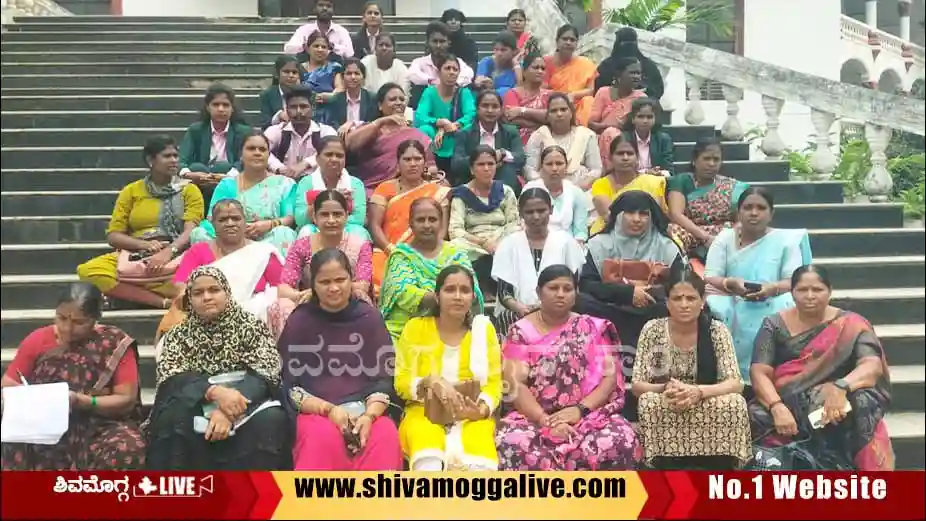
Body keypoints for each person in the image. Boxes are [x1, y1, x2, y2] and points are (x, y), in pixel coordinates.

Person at [749, 265, 894, 471]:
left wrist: (841, 387)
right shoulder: (773, 325)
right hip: (788, 399)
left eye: (817, 290)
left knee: (859, 403)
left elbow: (871, 365)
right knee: (756, 416)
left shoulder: (851, 324)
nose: (810, 296)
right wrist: (776, 407)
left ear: (829, 291)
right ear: (792, 292)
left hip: (837, 400)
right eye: (802, 290)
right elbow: (759, 372)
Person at [145, 267, 289, 470]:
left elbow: (266, 372)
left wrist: (228, 410)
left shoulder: (250, 326)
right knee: (171, 419)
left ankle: (259, 495)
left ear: (227, 293)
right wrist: (214, 392)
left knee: (271, 419)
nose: (207, 297)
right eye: (198, 293)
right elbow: (173, 378)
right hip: (197, 401)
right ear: (190, 299)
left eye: (214, 290)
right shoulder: (178, 335)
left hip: (246, 401)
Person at [496, 265, 639, 470]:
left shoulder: (590, 326)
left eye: (567, 288)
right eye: (553, 288)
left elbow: (609, 378)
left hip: (588, 414)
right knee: (512, 443)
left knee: (620, 440)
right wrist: (545, 420)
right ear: (539, 292)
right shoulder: (521, 331)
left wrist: (580, 410)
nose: (561, 294)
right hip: (534, 417)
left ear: (575, 294)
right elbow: (515, 384)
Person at [279, 248, 402, 471]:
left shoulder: (368, 317)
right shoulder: (301, 321)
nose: (334, 288)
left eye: (340, 279)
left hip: (367, 409)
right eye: (325, 282)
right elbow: (290, 385)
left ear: (351, 279)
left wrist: (369, 416)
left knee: (385, 435)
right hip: (317, 413)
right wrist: (328, 410)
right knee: (319, 438)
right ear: (313, 285)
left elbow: (384, 377)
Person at [1, 283, 145, 470]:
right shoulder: (38, 339)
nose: (67, 328)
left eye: (79, 322)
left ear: (95, 319)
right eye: (61, 318)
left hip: (98, 423)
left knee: (129, 447)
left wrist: (83, 401)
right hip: (43, 421)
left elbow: (126, 399)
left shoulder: (114, 342)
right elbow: (9, 384)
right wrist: (33, 400)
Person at [632, 269, 751, 469]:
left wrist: (698, 392)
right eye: (677, 298)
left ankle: (721, 462)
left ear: (702, 301)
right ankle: (664, 463)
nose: (684, 304)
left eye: (691, 298)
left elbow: (735, 383)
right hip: (668, 397)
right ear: (668, 303)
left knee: (735, 403)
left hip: (706, 395)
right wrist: (668, 389)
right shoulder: (653, 330)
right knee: (648, 402)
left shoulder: (716, 330)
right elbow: (637, 385)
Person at [394, 265, 502, 471]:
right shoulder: (416, 327)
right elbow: (401, 381)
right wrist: (430, 381)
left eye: (465, 290)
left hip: (472, 417)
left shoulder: (483, 330)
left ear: (473, 297)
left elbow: (494, 384)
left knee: (478, 469)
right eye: (450, 290)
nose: (458, 296)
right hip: (423, 413)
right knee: (428, 460)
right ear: (437, 296)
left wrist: (481, 409)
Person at [77, 135, 204, 310]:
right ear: (151, 160)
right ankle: (162, 301)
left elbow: (192, 230)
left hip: (178, 254)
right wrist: (143, 245)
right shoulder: (132, 191)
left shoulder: (189, 190)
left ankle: (132, 290)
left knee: (196, 281)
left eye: (175, 156)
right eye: (167, 156)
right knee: (88, 271)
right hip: (137, 255)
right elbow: (114, 235)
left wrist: (168, 251)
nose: (174, 160)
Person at [705, 187, 813, 386]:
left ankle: (774, 377)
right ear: (739, 212)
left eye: (761, 208)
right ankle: (729, 377)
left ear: (771, 213)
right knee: (714, 305)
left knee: (788, 304)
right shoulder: (725, 238)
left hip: (773, 298)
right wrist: (730, 283)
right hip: (731, 297)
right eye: (748, 207)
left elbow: (795, 280)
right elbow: (711, 276)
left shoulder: (785, 241)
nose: (754, 213)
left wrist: (770, 289)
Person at [155, 199, 287, 344]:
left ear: (245, 222)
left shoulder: (263, 252)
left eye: (236, 218)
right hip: (206, 314)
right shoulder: (198, 251)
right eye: (223, 219)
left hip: (255, 316)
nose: (230, 223)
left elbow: (280, 288)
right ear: (213, 224)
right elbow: (181, 286)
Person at [577, 191, 682, 358]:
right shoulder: (598, 244)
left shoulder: (666, 246)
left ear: (651, 218)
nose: (637, 219)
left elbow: (680, 285)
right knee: (579, 302)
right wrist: (628, 293)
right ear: (618, 216)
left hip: (652, 311)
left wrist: (646, 293)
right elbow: (587, 285)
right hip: (611, 309)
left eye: (643, 214)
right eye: (630, 212)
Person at [379, 198, 483, 340]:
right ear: (411, 223)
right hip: (404, 329)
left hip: (453, 325)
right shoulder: (401, 255)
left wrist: (445, 298)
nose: (427, 225)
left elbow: (472, 289)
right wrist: (448, 298)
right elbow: (404, 293)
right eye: (420, 220)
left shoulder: (455, 253)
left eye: (432, 219)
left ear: (441, 222)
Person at [491, 189, 585, 338]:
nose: (536, 216)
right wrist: (521, 308)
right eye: (529, 212)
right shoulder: (509, 244)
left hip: (559, 311)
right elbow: (504, 292)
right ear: (520, 213)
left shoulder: (566, 242)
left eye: (541, 211)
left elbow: (574, 285)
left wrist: (551, 307)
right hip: (519, 312)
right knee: (507, 318)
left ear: (551, 210)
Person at [190, 133, 298, 255]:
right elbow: (212, 218)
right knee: (199, 233)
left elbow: (289, 218)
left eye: (262, 149)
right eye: (251, 148)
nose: (257, 153)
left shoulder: (284, 184)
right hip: (230, 239)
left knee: (284, 233)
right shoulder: (227, 184)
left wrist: (268, 224)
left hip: (267, 238)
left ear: (268, 155)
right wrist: (237, 230)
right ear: (241, 155)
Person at [369, 140, 451, 292]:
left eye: (417, 159)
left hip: (428, 253)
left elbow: (442, 229)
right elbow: (374, 226)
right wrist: (393, 251)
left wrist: (429, 254)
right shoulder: (385, 188)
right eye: (407, 159)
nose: (413, 164)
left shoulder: (438, 191)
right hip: (389, 252)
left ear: (425, 162)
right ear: (398, 163)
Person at [449, 146, 521, 296]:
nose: (486, 168)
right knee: (455, 246)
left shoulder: (506, 191)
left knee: (518, 239)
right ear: (471, 169)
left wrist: (498, 243)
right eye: (481, 165)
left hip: (501, 241)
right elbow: (455, 230)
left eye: (490, 164)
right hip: (474, 244)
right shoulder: (462, 194)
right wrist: (482, 242)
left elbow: (513, 223)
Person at [280, 190, 373, 305]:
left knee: (362, 299)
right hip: (310, 304)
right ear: (314, 217)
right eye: (324, 215)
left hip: (348, 302)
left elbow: (363, 286)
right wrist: (307, 295)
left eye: (337, 214)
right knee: (282, 305)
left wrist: (319, 292)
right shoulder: (302, 246)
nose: (331, 220)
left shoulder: (361, 245)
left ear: (346, 216)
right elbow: (283, 289)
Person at [667, 137, 749, 260]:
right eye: (706, 158)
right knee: (672, 231)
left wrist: (725, 238)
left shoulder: (732, 186)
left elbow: (740, 220)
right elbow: (675, 214)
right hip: (690, 231)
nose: (711, 164)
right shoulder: (682, 181)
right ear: (694, 160)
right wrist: (706, 237)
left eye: (716, 159)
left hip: (723, 233)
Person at [347, 83, 438, 193]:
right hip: (374, 189)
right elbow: (351, 145)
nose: (398, 103)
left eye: (401, 99)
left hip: (411, 188)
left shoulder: (416, 134)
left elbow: (432, 167)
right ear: (380, 105)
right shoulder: (371, 128)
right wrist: (382, 121)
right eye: (392, 99)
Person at [178, 84, 252, 204]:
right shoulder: (196, 130)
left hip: (230, 178)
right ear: (208, 107)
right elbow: (182, 159)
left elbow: (244, 160)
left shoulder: (243, 132)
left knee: (222, 167)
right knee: (197, 167)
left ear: (232, 108)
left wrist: (228, 176)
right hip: (200, 179)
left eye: (226, 105)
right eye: (216, 105)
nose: (221, 109)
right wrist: (189, 173)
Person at [293, 136, 369, 240]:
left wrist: (331, 222)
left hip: (346, 228)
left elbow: (358, 219)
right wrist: (333, 197)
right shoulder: (306, 183)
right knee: (306, 230)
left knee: (358, 232)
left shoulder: (355, 184)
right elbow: (300, 220)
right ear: (317, 159)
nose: (334, 159)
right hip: (315, 228)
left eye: (339, 156)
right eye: (329, 154)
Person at [590, 134, 667, 235]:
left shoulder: (652, 182)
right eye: (620, 154)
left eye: (630, 154)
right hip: (610, 234)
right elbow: (608, 216)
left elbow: (656, 216)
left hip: (647, 234)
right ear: (610, 158)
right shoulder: (601, 184)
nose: (625, 158)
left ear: (637, 158)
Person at [451, 90, 526, 193]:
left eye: (495, 107)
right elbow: (456, 165)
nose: (490, 110)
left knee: (507, 169)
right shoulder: (464, 134)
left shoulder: (510, 132)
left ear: (501, 110)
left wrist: (503, 153)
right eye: (485, 106)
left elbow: (521, 158)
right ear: (477, 109)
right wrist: (482, 160)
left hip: (503, 180)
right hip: (472, 182)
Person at [413, 53, 477, 174]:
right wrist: (440, 122)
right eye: (447, 68)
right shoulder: (430, 92)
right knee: (424, 129)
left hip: (456, 135)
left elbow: (471, 115)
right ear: (438, 72)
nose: (451, 72)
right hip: (435, 137)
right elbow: (420, 117)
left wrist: (453, 126)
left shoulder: (463, 92)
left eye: (455, 69)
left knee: (470, 128)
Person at [523, 93, 601, 190]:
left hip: (580, 189)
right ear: (547, 116)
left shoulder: (587, 135)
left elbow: (596, 169)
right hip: (545, 189)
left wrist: (579, 188)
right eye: (554, 111)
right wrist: (547, 186)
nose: (559, 114)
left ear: (571, 113)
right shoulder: (539, 135)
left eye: (563, 109)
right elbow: (529, 170)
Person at [264, 86, 338, 179]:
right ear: (286, 110)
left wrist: (306, 163)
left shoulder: (326, 131)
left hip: (317, 184)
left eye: (303, 107)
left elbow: (333, 151)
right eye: (293, 107)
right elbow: (261, 150)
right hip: (284, 182)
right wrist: (279, 168)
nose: (299, 111)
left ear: (313, 109)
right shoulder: (276, 131)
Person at [523, 145, 591, 242]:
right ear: (541, 167)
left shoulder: (576, 193)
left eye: (559, 163)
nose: (554, 168)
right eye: (549, 164)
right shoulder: (530, 189)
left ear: (566, 166)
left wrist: (575, 248)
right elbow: (524, 225)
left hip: (568, 246)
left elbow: (580, 232)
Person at [589, 57, 646, 169]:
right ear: (619, 75)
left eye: (638, 73)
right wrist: (611, 127)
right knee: (610, 133)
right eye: (632, 73)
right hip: (602, 139)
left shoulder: (641, 98)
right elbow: (591, 124)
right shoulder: (603, 92)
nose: (636, 77)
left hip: (628, 141)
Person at [407, 21, 474, 109]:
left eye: (442, 41)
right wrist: (434, 82)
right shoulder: (419, 62)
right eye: (435, 41)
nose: (438, 45)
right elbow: (412, 75)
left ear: (448, 43)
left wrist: (451, 83)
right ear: (427, 42)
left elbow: (469, 73)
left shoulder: (457, 62)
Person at [543, 24, 597, 126]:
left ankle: (581, 130)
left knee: (588, 101)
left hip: (576, 103)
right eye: (565, 39)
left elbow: (590, 90)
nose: (568, 42)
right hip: (553, 103)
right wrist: (562, 97)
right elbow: (541, 89)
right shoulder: (545, 62)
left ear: (577, 43)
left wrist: (572, 95)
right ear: (557, 42)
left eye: (572, 40)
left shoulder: (586, 64)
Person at [595, 27, 664, 100]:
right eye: (624, 43)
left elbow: (658, 90)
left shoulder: (648, 66)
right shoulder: (606, 66)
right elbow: (598, 90)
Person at [503, 53, 551, 145]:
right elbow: (511, 120)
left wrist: (522, 110)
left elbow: (551, 117)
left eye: (543, 68)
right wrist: (541, 124)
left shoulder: (549, 94)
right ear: (524, 71)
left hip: (546, 143)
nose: (540, 71)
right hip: (519, 144)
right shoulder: (512, 93)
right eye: (535, 67)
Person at [299, 31, 344, 127]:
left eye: (324, 47)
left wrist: (331, 96)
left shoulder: (334, 68)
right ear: (307, 48)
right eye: (316, 46)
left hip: (328, 115)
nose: (320, 50)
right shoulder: (299, 69)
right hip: (303, 113)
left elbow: (340, 89)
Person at [283, 0, 353, 59]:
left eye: (328, 6)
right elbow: (288, 50)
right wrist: (306, 46)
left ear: (333, 10)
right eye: (321, 5)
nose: (324, 8)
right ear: (314, 9)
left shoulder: (341, 31)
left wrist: (332, 46)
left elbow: (350, 54)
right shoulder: (304, 30)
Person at [621, 98, 674, 175]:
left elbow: (669, 171)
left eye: (649, 117)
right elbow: (623, 171)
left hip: (657, 182)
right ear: (633, 119)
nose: (645, 121)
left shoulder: (663, 140)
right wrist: (646, 173)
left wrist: (658, 173)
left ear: (655, 119)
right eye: (640, 117)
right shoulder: (624, 139)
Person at [327, 58, 379, 135]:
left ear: (363, 77)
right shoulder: (335, 100)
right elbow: (332, 124)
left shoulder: (372, 98)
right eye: (349, 73)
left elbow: (375, 123)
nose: (353, 77)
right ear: (342, 77)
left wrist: (353, 123)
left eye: (357, 73)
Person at [259, 55, 301, 129]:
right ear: (276, 74)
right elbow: (264, 124)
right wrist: (278, 117)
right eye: (286, 72)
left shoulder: (306, 94)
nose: (291, 75)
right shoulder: (267, 95)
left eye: (294, 72)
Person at [474, 31, 519, 97]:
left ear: (514, 51)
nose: (499, 53)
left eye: (503, 50)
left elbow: (519, 92)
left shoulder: (518, 67)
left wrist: (517, 68)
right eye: (496, 49)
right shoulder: (487, 62)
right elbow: (478, 82)